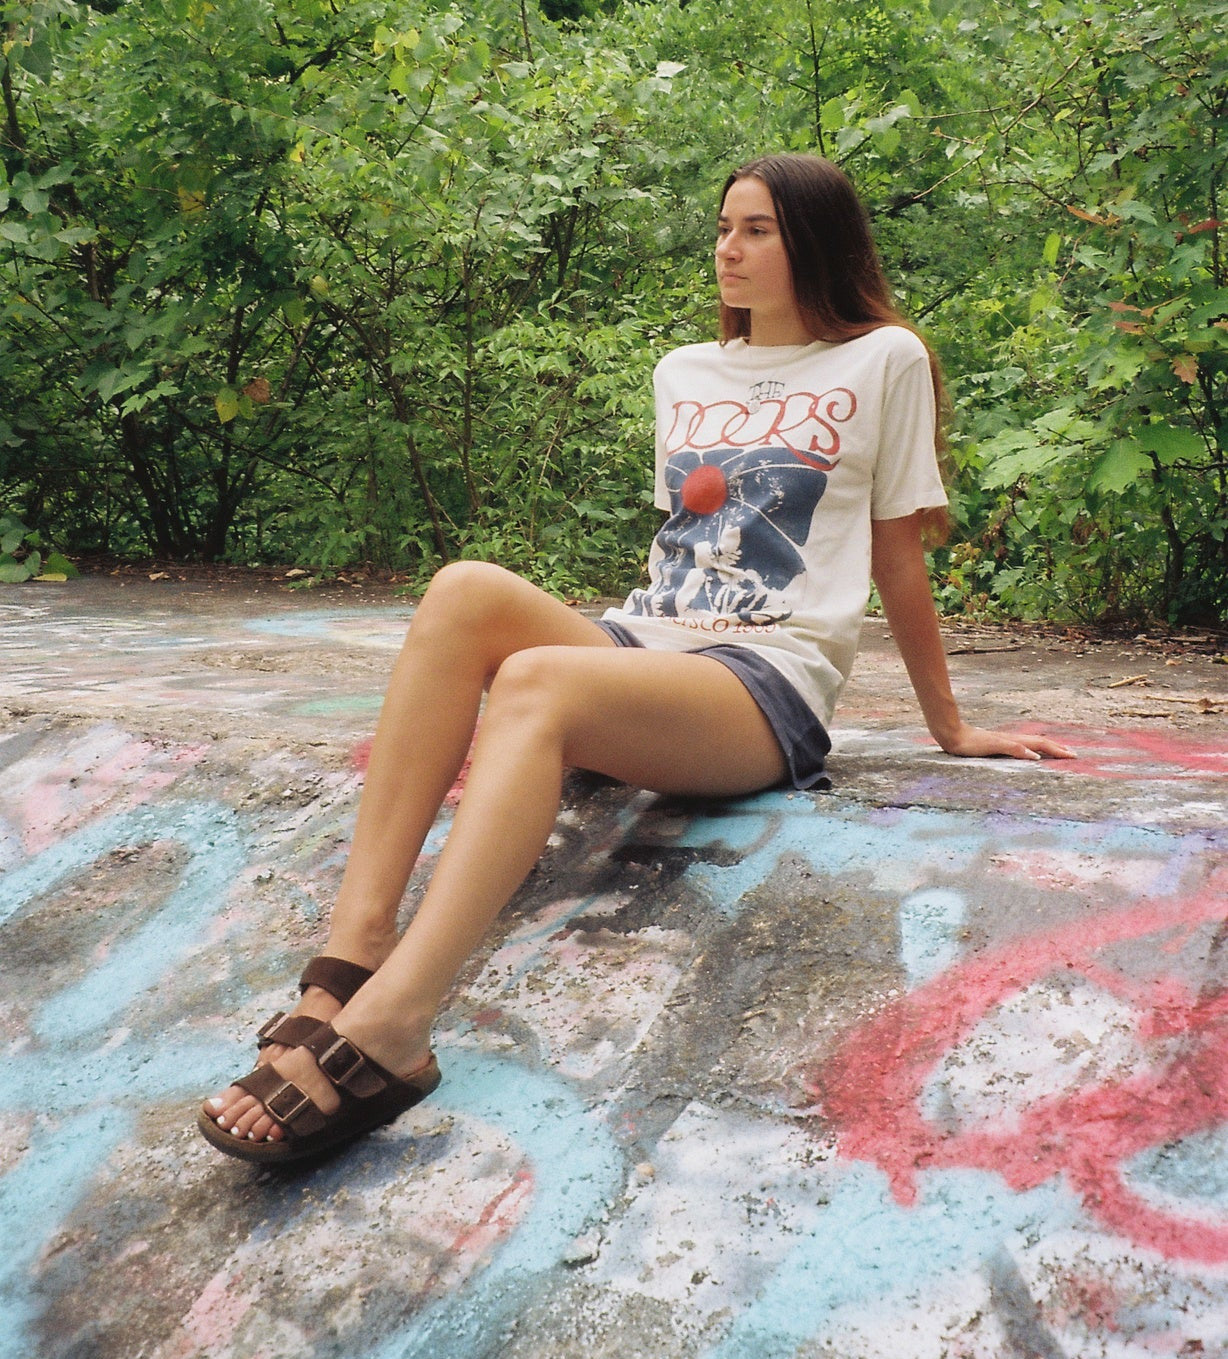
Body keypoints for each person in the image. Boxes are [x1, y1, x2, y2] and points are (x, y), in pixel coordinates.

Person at [198, 154, 1074, 1163]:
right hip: (649, 648)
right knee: (462, 589)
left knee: (534, 680)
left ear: (816, 242)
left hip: (763, 680)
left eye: (756, 229)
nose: (728, 249)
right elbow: (684, 548)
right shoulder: (683, 372)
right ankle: (349, 959)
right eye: (723, 227)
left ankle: (397, 1020)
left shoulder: (884, 359)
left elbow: (896, 551)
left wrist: (949, 724)